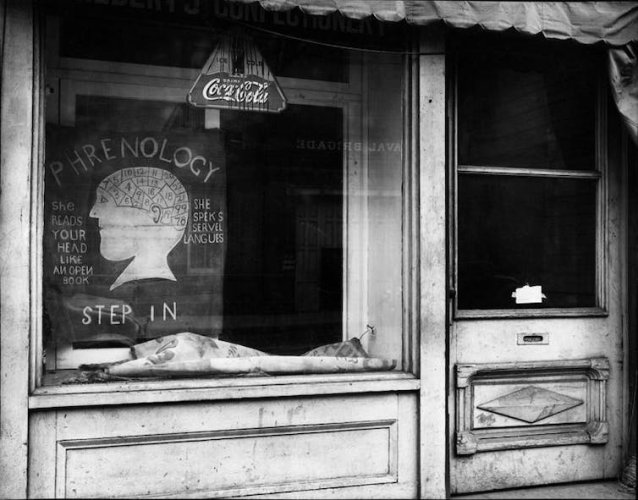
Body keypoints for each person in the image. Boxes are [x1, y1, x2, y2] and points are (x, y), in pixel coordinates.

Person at [89, 166, 189, 290]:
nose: (92, 213)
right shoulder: (124, 285)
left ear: (154, 214)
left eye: (104, 200)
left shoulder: (146, 287)